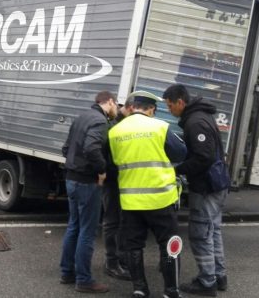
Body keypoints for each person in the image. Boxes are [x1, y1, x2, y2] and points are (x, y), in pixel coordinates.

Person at [108, 90, 187, 298]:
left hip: (131, 200)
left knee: (133, 246)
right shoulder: (160, 127)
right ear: (151, 109)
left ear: (132, 107)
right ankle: (171, 291)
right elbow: (181, 153)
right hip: (161, 198)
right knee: (169, 245)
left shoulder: (115, 131)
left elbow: (114, 162)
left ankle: (140, 289)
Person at [162, 84, 228, 297]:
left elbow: (203, 157)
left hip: (207, 186)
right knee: (213, 231)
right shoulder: (200, 116)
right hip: (217, 184)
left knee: (200, 233)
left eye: (170, 105)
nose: (169, 109)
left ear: (180, 102)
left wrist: (177, 169)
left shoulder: (195, 122)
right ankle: (219, 275)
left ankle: (207, 282)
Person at [60, 90, 118, 293]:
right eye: (116, 105)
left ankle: (67, 272)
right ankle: (84, 280)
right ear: (110, 102)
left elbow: (66, 149)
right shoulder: (100, 121)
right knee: (87, 231)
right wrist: (102, 170)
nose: (116, 110)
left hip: (71, 179)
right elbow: (92, 148)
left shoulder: (81, 117)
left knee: (74, 226)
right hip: (87, 182)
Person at [101, 100, 133, 281]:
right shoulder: (113, 126)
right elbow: (105, 155)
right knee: (113, 222)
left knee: (122, 222)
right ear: (129, 108)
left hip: (123, 181)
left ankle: (121, 259)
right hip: (113, 182)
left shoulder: (120, 124)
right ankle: (112, 263)